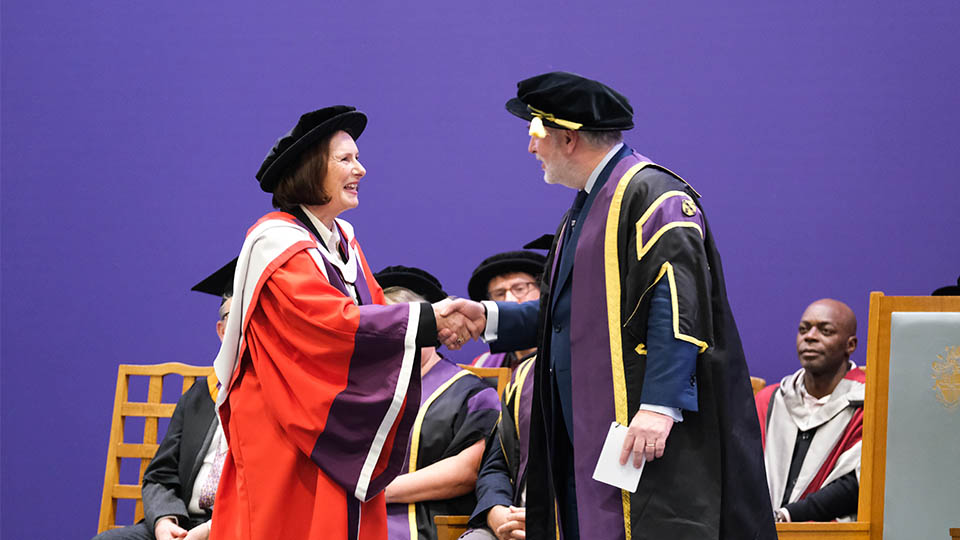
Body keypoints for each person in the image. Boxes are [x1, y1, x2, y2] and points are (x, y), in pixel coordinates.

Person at [441, 72, 775, 540]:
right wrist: (488, 318)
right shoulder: (585, 207)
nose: (531, 148)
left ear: (569, 138)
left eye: (535, 134)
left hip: (644, 428)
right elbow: (571, 318)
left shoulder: (652, 195)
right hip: (587, 434)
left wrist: (659, 405)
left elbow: (677, 303)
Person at [209, 106, 477, 540]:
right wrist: (431, 320)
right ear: (312, 169)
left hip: (329, 422)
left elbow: (372, 311)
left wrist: (435, 323)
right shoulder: (275, 242)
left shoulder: (342, 240)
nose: (362, 169)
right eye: (346, 160)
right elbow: (332, 323)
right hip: (287, 428)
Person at [93, 258, 237, 540]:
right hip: (181, 522)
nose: (243, 331)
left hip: (234, 528)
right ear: (221, 332)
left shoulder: (274, 399)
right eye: (234, 322)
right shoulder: (198, 397)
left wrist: (212, 530)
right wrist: (164, 521)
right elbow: (159, 475)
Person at [373, 266, 501, 540]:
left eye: (406, 322)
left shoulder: (471, 392)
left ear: (433, 329)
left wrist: (376, 491)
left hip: (426, 525)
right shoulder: (357, 392)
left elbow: (467, 470)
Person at [756, 299, 864, 522]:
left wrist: (789, 516)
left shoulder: (869, 402)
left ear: (850, 345)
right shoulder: (770, 401)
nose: (810, 337)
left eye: (825, 331)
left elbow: (858, 483)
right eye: (803, 329)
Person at [467, 250, 545, 370]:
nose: (510, 300)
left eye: (519, 289)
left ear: (543, 292)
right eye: (499, 294)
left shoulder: (566, 355)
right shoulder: (483, 366)